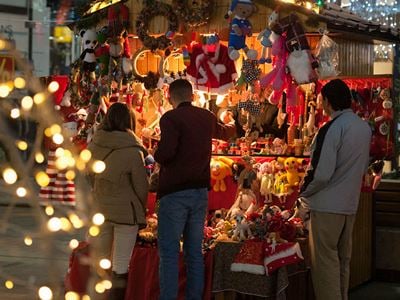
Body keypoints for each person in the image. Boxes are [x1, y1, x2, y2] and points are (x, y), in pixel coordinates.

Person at [154, 79, 236, 300]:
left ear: (170, 97)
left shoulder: (170, 118)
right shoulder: (206, 116)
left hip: (174, 193)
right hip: (200, 191)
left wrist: (156, 151)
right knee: (194, 254)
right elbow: (227, 133)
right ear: (192, 96)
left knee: (170, 254)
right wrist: (232, 118)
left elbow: (166, 153)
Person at [298, 79, 372, 300]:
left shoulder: (331, 128)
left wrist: (303, 192)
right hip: (349, 203)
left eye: (322, 100)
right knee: (342, 261)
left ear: (328, 102)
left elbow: (320, 173)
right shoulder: (363, 127)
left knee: (325, 264)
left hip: (326, 205)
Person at [87, 102, 149, 299]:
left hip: (100, 209)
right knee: (121, 264)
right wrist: (141, 207)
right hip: (126, 213)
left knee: (100, 261)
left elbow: (88, 175)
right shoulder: (133, 150)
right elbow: (141, 186)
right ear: (129, 121)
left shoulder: (95, 143)